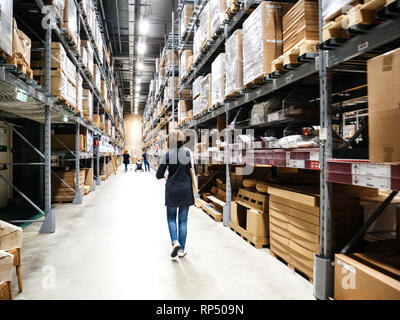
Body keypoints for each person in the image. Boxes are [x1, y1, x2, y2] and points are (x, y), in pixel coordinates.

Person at [156, 130, 196, 258]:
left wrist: (168, 176)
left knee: (171, 218)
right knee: (183, 221)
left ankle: (175, 241)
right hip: (186, 190)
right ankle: (181, 250)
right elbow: (194, 171)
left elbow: (158, 175)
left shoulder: (167, 154)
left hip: (172, 190)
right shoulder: (188, 154)